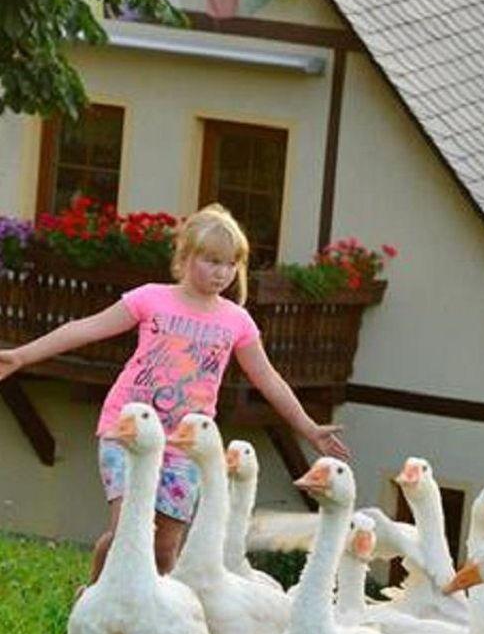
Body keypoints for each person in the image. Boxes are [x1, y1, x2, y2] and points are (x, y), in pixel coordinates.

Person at [0, 205, 347, 581]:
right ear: (185, 257)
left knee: (165, 550)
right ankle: (94, 600)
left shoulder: (236, 321)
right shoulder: (150, 298)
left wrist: (308, 427)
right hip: (128, 432)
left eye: (231, 264)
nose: (222, 272)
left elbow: (269, 379)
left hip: (186, 445)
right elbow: (84, 328)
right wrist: (21, 356)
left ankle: (153, 613)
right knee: (126, 533)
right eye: (212, 261)